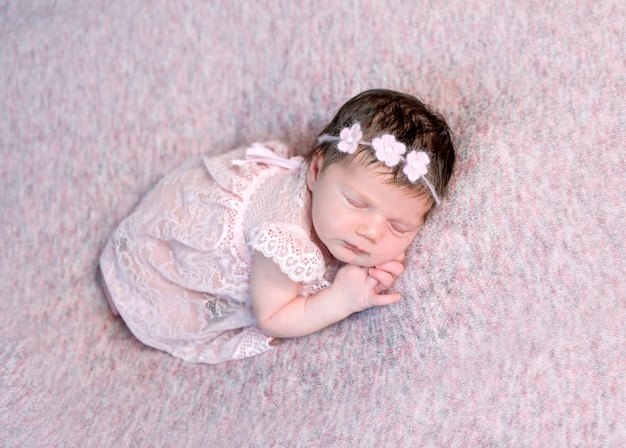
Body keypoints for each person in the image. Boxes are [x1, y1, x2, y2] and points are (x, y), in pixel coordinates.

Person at [99, 89, 455, 364]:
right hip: (176, 252)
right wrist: (340, 299)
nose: (372, 233)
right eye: (356, 204)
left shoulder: (334, 206)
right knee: (162, 300)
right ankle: (122, 284)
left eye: (399, 226)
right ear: (315, 172)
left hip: (202, 210)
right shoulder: (285, 238)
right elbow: (273, 316)